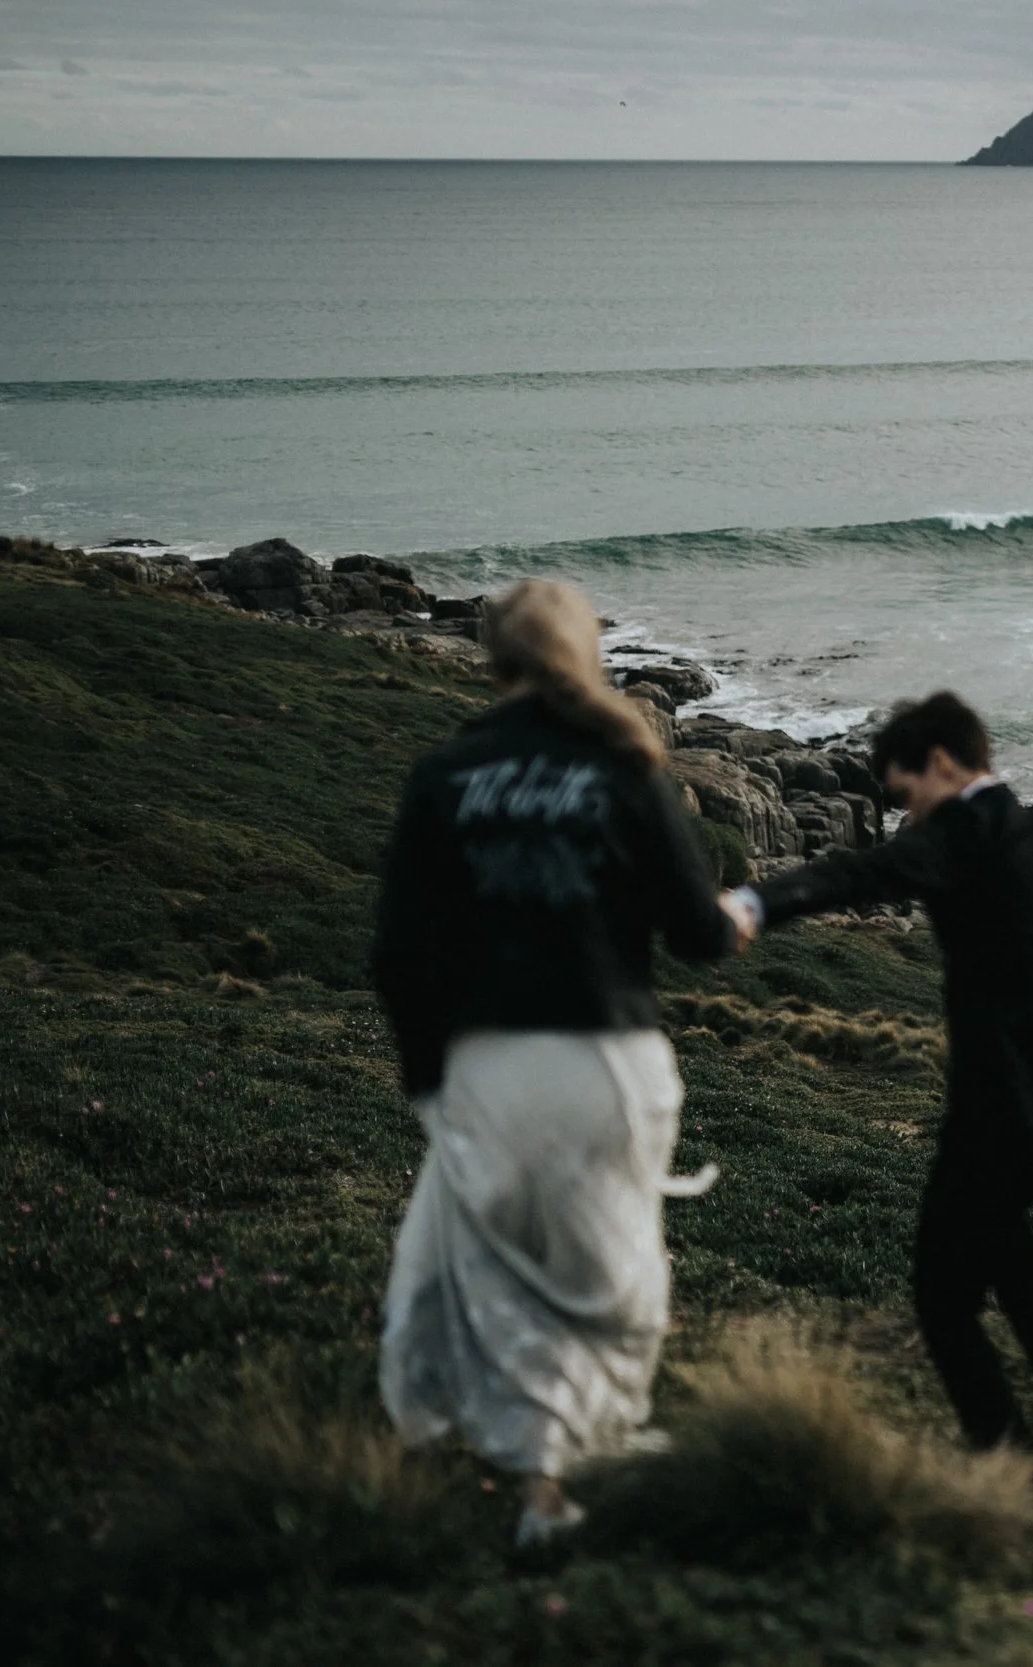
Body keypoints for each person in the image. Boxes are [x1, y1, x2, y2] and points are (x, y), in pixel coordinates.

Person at [723, 691, 1033, 1478]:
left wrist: (755, 900)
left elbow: (858, 872)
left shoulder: (954, 839)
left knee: (941, 1290)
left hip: (1007, 1093)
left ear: (942, 762)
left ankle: (1003, 1452)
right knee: (1000, 1230)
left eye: (905, 795)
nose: (907, 816)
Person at [371, 578, 742, 1546]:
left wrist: (427, 1079)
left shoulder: (443, 775)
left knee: (504, 1270)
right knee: (613, 1265)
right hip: (606, 1059)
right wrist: (741, 914)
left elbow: (397, 954)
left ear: (491, 662)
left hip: (487, 1062)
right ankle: (594, 1441)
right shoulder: (625, 764)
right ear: (587, 653)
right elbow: (699, 935)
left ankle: (537, 1479)